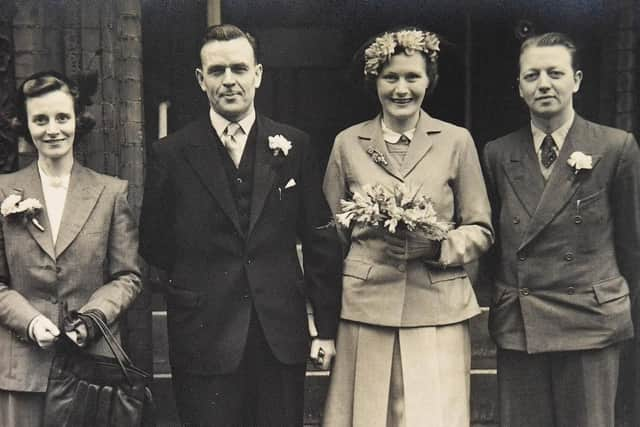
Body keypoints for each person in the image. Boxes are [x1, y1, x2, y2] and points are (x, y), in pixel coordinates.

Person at [139, 24, 342, 426]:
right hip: (202, 335)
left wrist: (325, 328)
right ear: (201, 79)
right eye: (217, 71)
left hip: (278, 334)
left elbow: (319, 240)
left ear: (258, 74)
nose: (229, 81)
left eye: (239, 68)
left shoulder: (293, 145)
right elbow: (155, 244)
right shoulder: (172, 154)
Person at [322, 27, 494, 427]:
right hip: (366, 304)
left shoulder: (456, 141)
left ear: (429, 81)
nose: (401, 89)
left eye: (412, 77)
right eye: (390, 77)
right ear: (374, 82)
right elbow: (332, 230)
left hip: (437, 304)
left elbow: (481, 228)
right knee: (367, 415)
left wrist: (437, 248)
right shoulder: (348, 143)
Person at [482, 32, 640, 427]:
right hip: (522, 321)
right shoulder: (498, 153)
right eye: (532, 75)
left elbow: (632, 245)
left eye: (555, 73)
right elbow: (493, 241)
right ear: (519, 87)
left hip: (590, 321)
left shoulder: (616, 146)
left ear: (577, 80)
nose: (544, 84)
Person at [0, 70, 142, 426]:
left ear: (78, 119)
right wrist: (30, 321)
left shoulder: (110, 193)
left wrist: (89, 321)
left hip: (91, 369)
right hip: (23, 368)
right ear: (25, 125)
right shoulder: (4, 191)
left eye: (62, 117)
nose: (53, 130)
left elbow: (127, 277)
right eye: (40, 119)